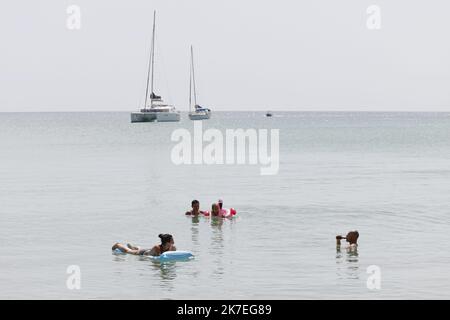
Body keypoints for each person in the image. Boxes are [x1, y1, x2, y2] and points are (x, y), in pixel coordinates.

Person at [112, 234, 176, 256]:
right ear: (167, 242)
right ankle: (118, 245)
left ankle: (134, 247)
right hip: (142, 253)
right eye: (172, 240)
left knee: (135, 249)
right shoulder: (157, 248)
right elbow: (149, 258)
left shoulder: (173, 248)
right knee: (128, 251)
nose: (173, 241)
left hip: (149, 250)